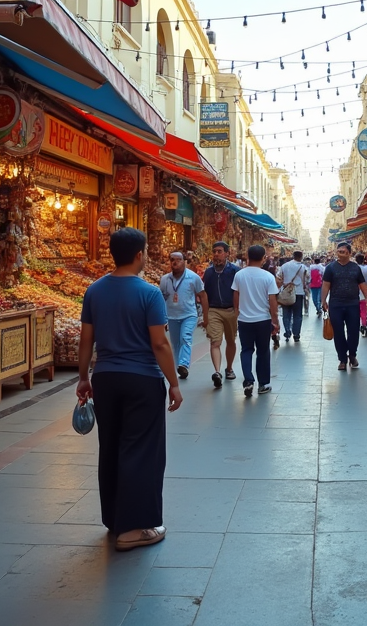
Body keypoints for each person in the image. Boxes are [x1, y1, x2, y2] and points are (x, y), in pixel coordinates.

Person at [77, 227, 182, 552]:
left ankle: (115, 519)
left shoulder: (94, 291)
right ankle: (134, 528)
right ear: (139, 255)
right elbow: (160, 343)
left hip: (105, 379)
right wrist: (174, 383)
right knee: (140, 451)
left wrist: (83, 377)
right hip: (142, 381)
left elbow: (86, 340)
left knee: (110, 447)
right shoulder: (149, 294)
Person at [232, 244, 280, 397]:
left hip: (244, 320)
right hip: (262, 320)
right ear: (263, 258)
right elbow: (272, 300)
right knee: (263, 351)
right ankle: (263, 383)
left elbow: (236, 296)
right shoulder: (268, 277)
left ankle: (248, 380)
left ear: (247, 256)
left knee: (246, 350)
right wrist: (275, 320)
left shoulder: (239, 275)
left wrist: (237, 313)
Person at [321, 242, 367, 371]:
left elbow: (362, 284)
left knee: (353, 331)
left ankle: (352, 355)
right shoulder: (330, 268)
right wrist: (323, 300)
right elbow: (326, 285)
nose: (340, 254)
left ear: (349, 253)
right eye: (338, 251)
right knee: (338, 332)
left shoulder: (355, 268)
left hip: (352, 304)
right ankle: (342, 359)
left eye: (343, 252)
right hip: (336, 304)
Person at [159, 251, 208, 381]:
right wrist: (161, 318)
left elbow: (202, 295)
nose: (175, 262)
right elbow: (161, 299)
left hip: (189, 314)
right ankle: (179, 368)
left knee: (185, 338)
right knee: (175, 344)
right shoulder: (165, 280)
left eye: (178, 260)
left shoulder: (193, 277)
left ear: (184, 262)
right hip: (172, 316)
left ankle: (184, 364)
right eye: (172, 260)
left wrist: (205, 317)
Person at [202, 241, 239, 386]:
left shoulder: (235, 271)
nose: (216, 255)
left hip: (231, 310)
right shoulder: (209, 272)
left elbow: (239, 292)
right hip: (214, 310)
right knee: (215, 342)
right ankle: (217, 372)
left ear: (227, 253)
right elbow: (204, 294)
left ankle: (229, 368)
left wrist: (238, 310)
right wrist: (205, 315)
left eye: (219, 251)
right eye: (214, 252)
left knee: (231, 341)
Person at [277, 251, 310, 343]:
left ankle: (287, 331)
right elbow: (308, 278)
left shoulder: (284, 266)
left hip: (287, 292)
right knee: (297, 315)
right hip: (298, 293)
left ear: (293, 256)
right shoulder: (304, 267)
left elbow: (278, 277)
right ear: (301, 257)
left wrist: (284, 283)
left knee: (286, 313)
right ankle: (296, 334)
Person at [356, 253, 367, 338]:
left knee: (355, 312)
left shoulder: (354, 268)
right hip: (365, 293)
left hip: (354, 294)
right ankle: (364, 325)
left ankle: (356, 327)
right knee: (364, 312)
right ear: (364, 259)